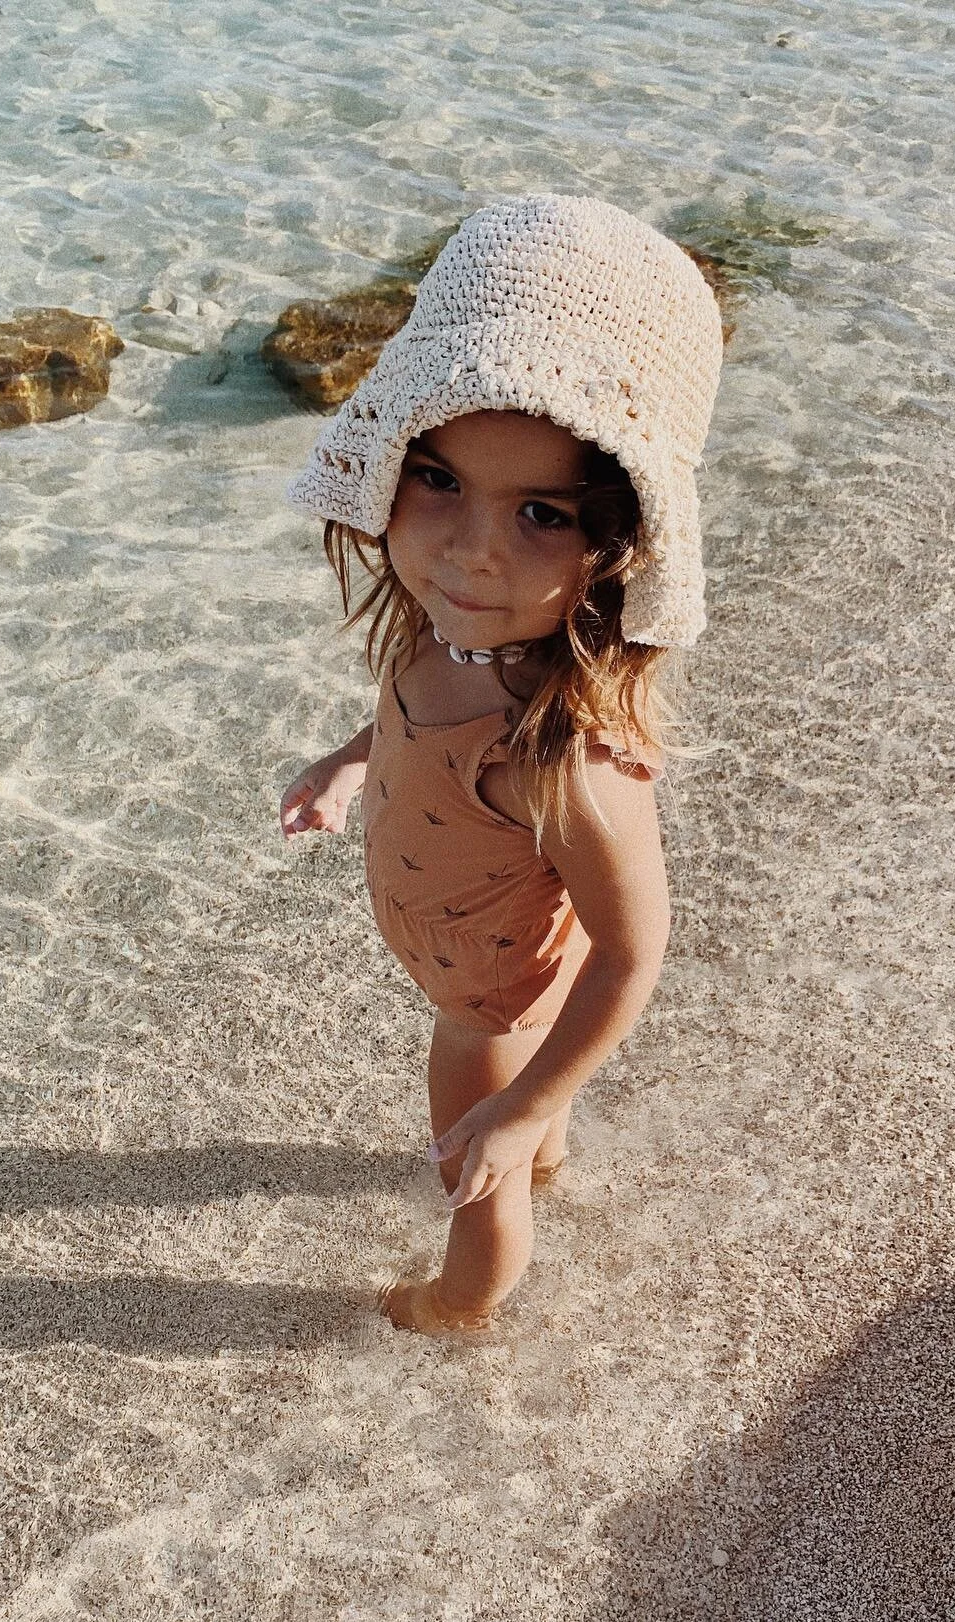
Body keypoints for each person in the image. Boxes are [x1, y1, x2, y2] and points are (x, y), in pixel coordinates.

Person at [277, 194, 724, 1335]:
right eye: (440, 482)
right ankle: (550, 1145)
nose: (472, 548)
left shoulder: (560, 757)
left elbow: (632, 949)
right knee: (512, 1126)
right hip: (480, 943)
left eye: (540, 512)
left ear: (618, 543)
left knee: (473, 1178)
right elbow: (408, 718)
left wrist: (520, 1106)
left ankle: (458, 1305)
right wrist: (348, 762)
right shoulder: (451, 628)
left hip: (483, 998)